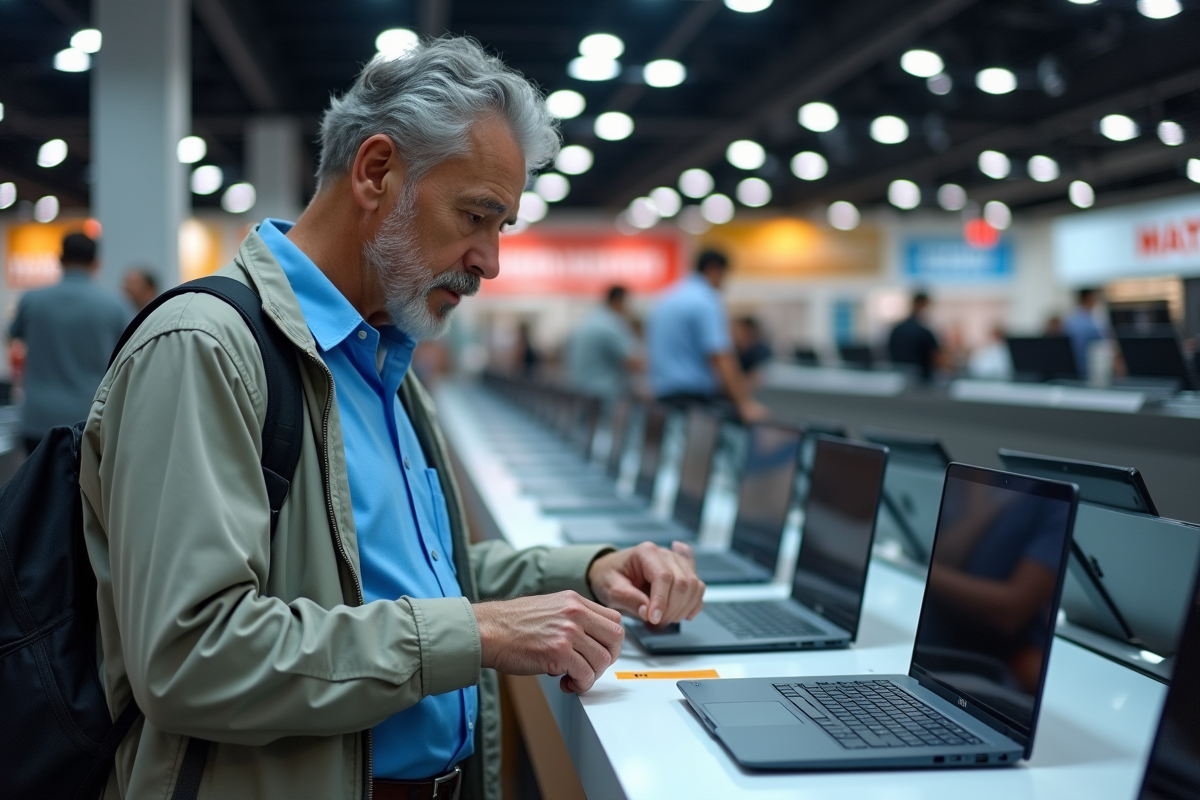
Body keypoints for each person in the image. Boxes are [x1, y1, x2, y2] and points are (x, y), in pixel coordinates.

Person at [79, 38, 704, 800]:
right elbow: (191, 658)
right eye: (477, 215)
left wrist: (590, 574)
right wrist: (479, 635)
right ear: (377, 172)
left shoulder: (381, 365)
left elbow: (423, 578)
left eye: (501, 225)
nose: (490, 260)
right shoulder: (206, 351)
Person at [9, 232, 128, 454]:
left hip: (38, 418)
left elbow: (15, 335)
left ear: (60, 260)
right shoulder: (115, 306)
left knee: (37, 487)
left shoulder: (31, 300)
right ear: (96, 263)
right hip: (90, 419)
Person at [645, 250, 768, 421]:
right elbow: (720, 355)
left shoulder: (668, 297)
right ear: (713, 269)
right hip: (691, 400)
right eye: (724, 276)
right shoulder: (705, 300)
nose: (724, 283)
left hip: (663, 397)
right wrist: (745, 404)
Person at [565, 284, 641, 399]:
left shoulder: (592, 320)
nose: (629, 308)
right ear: (618, 301)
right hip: (603, 394)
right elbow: (635, 362)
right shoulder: (610, 325)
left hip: (583, 389)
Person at [887, 290, 943, 382]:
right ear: (921, 305)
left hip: (898, 382)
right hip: (922, 384)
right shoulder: (923, 331)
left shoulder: (896, 330)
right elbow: (938, 359)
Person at [1063, 288, 1105, 378]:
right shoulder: (1091, 326)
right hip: (1086, 373)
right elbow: (1103, 352)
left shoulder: (1069, 322)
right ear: (1089, 298)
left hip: (1070, 373)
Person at [731, 315, 773, 388]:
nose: (732, 333)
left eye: (737, 330)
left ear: (748, 331)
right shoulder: (734, 351)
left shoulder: (760, 351)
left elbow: (756, 378)